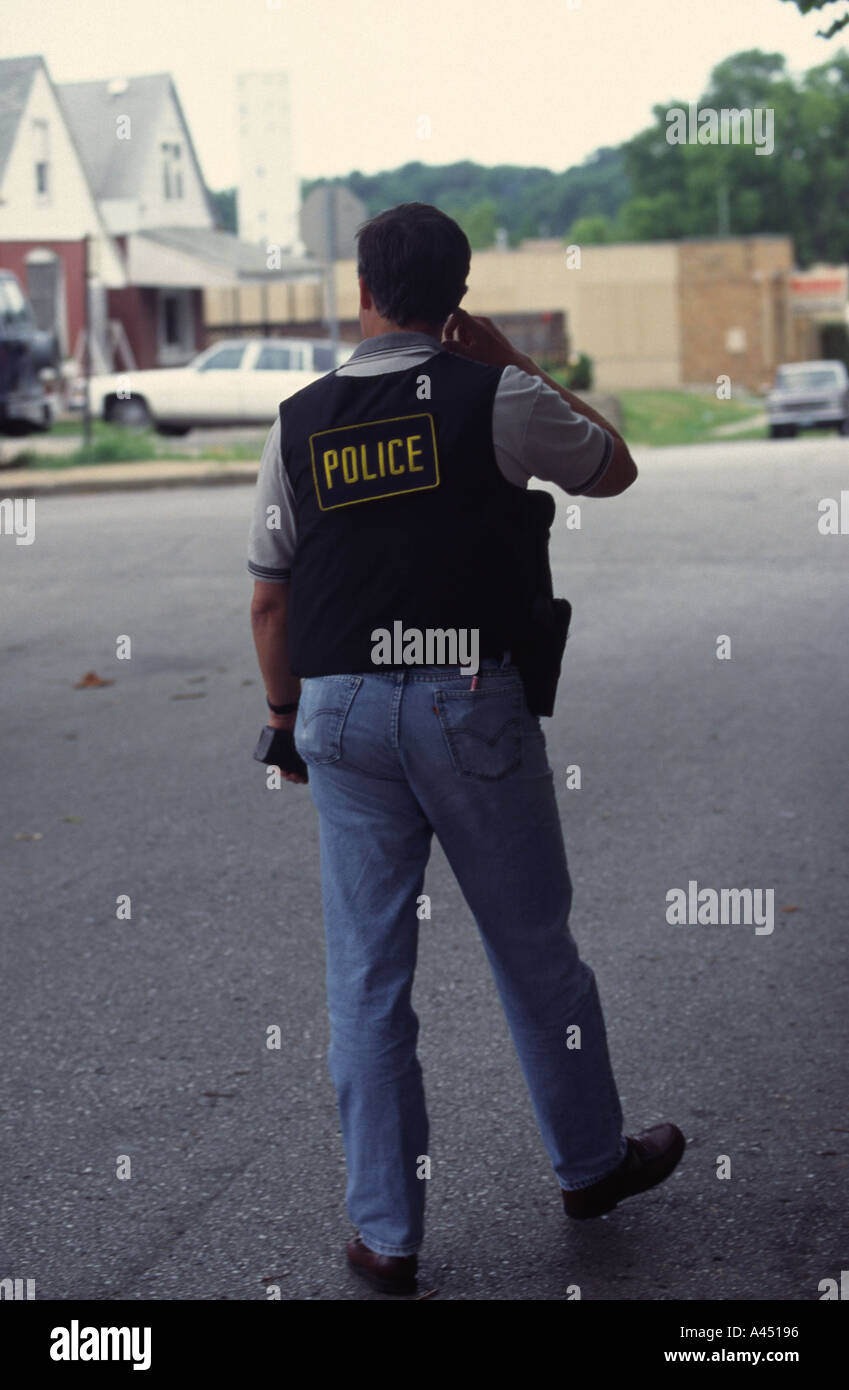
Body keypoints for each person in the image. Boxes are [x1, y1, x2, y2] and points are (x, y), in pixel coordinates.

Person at [247, 202, 684, 1298]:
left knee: (366, 981)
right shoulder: (497, 397)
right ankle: (589, 1167)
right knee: (536, 951)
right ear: (460, 295)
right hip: (464, 694)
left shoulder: (297, 421)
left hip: (339, 709)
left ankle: (386, 1238)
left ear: (362, 291)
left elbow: (269, 595)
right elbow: (614, 469)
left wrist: (280, 717)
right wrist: (514, 360)